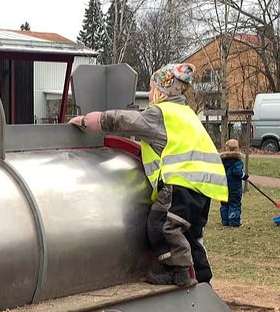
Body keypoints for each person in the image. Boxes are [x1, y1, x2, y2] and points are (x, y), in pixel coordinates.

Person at [69, 63, 228, 287]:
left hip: (179, 183)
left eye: (152, 88)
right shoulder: (187, 113)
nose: (150, 94)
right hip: (204, 188)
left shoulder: (160, 114)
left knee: (160, 226)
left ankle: (178, 272)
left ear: (160, 91)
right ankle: (203, 280)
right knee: (191, 235)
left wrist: (91, 120)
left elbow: (127, 121)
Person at [220, 138, 248, 227]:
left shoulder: (222, 160)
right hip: (234, 186)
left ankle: (225, 221)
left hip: (223, 184)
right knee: (234, 202)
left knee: (224, 202)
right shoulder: (237, 161)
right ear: (237, 149)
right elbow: (237, 172)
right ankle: (234, 221)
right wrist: (244, 176)